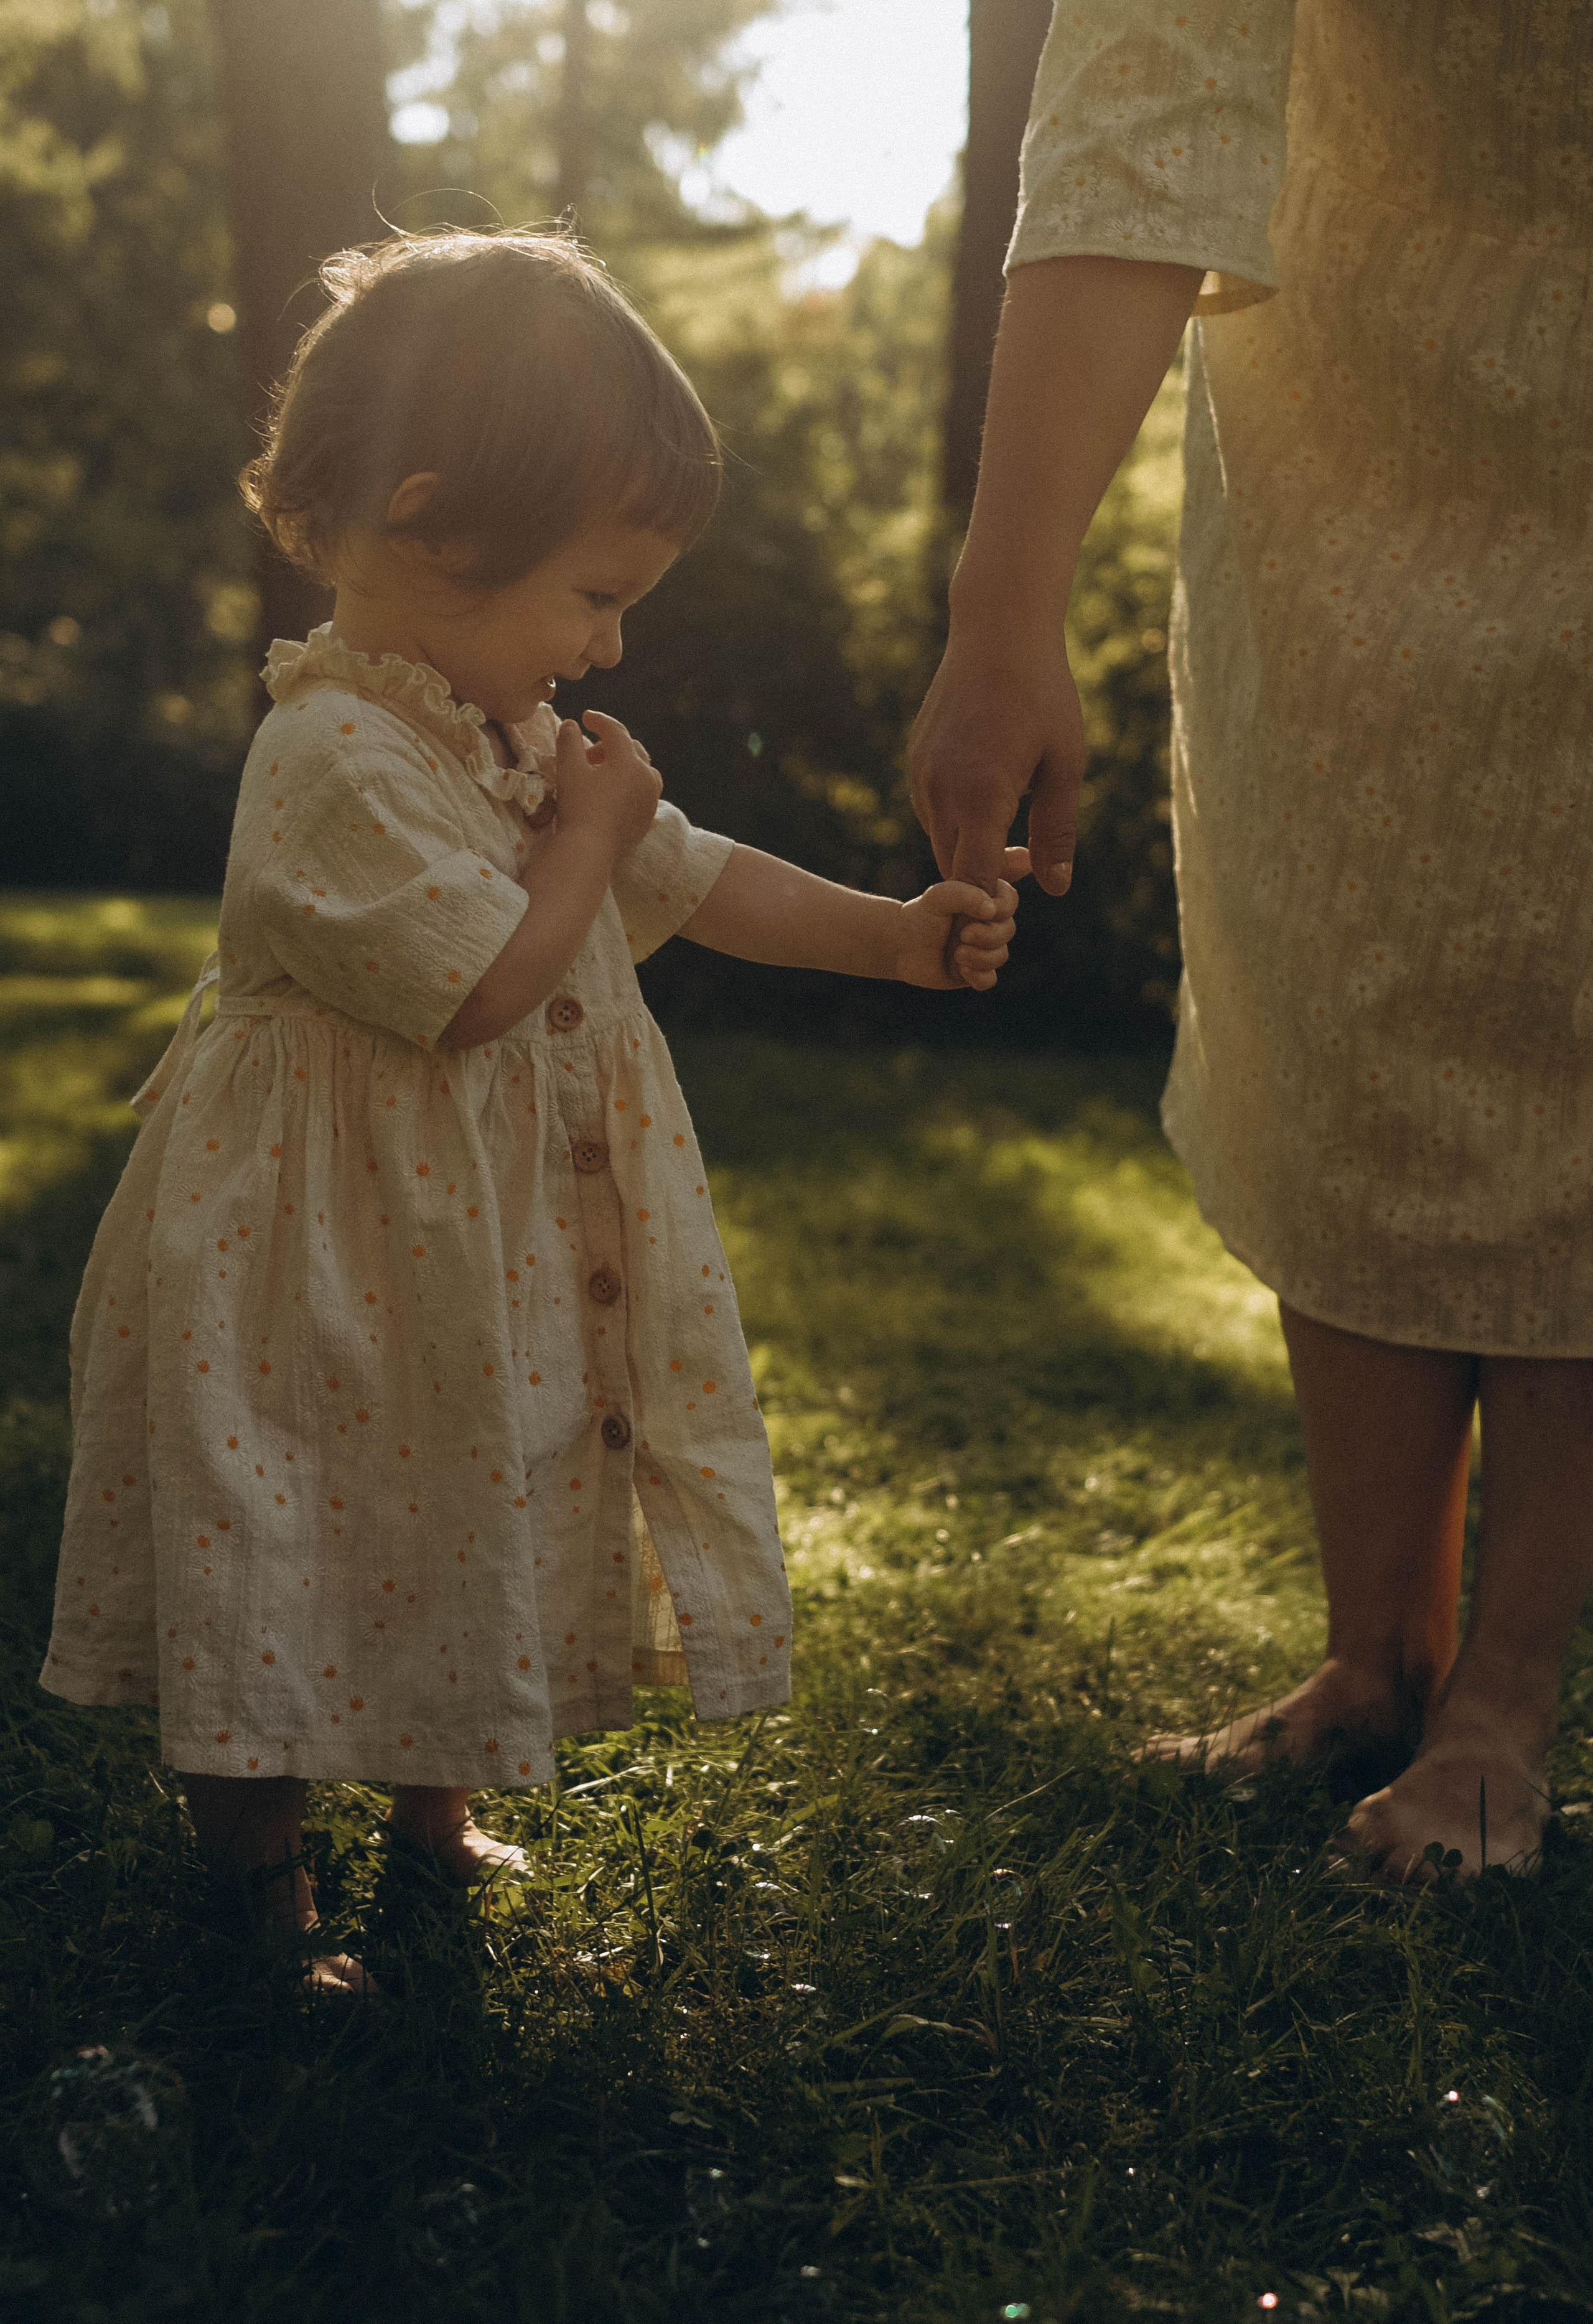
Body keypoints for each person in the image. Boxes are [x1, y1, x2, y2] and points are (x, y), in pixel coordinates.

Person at [41, 228, 1025, 1992]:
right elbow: (485, 985)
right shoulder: (332, 754)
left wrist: (893, 939)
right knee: (287, 1514)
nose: (615, 636)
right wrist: (581, 844)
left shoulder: (503, 730)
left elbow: (698, 877)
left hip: (458, 1242)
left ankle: (432, 1806)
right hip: (313, 1255)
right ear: (429, 522)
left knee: (454, 1498)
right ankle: (261, 1888)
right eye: (593, 591)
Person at [909, 2, 1593, 1881]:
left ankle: (1502, 1704)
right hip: (1342, 441)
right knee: (1335, 993)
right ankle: (1375, 1660)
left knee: (1580, 1028)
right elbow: (1144, 105)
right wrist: (1006, 603)